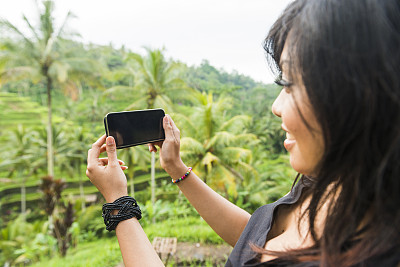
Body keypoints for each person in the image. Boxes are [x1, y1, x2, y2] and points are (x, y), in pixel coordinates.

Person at [86, 0, 400, 266]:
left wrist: (118, 202)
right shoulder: (331, 185)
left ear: (359, 95)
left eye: (288, 84)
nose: (276, 107)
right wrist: (175, 167)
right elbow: (257, 241)